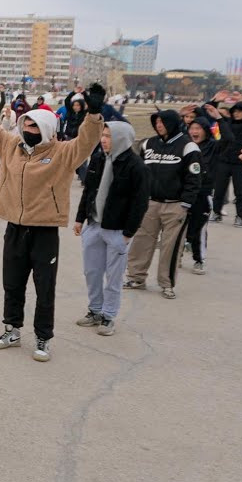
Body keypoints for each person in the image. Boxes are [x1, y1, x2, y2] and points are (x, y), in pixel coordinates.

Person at [0, 76, 105, 363]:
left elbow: (87, 142)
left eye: (34, 127)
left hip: (44, 231)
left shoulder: (63, 153)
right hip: (15, 228)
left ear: (47, 130)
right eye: (25, 125)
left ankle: (43, 337)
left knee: (44, 287)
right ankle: (12, 329)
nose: (28, 130)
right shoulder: (10, 146)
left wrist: (93, 114)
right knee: (12, 283)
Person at [74, 122, 148, 336]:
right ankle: (95, 310)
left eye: (109, 136)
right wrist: (80, 219)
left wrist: (128, 233)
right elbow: (88, 191)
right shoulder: (98, 158)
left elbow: (140, 202)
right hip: (94, 225)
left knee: (113, 278)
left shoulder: (136, 166)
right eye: (103, 135)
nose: (104, 140)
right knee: (92, 271)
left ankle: (108, 316)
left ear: (122, 139)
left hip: (117, 231)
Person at [123, 110, 201, 298]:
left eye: (162, 122)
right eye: (156, 122)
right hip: (149, 203)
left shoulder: (188, 147)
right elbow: (138, 172)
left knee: (170, 246)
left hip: (175, 205)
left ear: (172, 123)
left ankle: (167, 283)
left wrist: (186, 204)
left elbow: (194, 178)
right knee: (141, 241)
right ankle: (136, 277)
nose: (158, 125)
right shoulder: (148, 144)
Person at [185, 107, 232, 274]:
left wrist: (219, 118)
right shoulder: (185, 145)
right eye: (192, 128)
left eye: (198, 129)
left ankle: (199, 260)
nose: (194, 132)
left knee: (199, 229)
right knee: (178, 228)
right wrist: (180, 116)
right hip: (182, 193)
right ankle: (178, 253)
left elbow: (228, 138)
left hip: (203, 194)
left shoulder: (213, 147)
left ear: (205, 131)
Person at [210, 96, 242, 226]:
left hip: (241, 163)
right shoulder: (227, 123)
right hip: (224, 161)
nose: (237, 113)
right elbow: (211, 113)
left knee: (240, 192)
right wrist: (214, 101)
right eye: (235, 111)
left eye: (241, 111)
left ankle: (239, 216)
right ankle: (216, 213)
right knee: (219, 190)